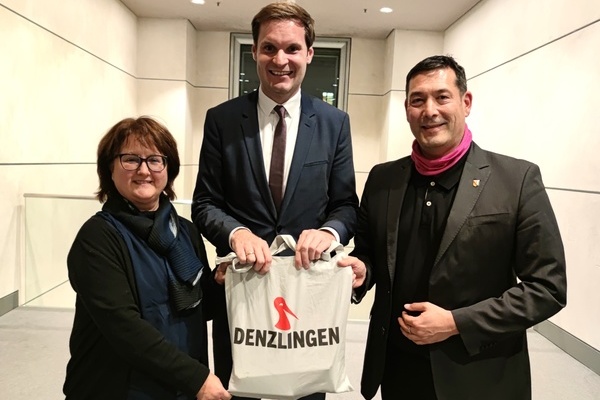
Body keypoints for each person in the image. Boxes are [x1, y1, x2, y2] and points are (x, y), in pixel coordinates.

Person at [338, 55, 567, 399]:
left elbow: (547, 288)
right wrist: (362, 270)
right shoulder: (383, 179)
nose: (430, 110)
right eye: (418, 100)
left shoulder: (516, 180)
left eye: (442, 96)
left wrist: (455, 323)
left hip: (479, 375)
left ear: (466, 101)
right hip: (399, 371)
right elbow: (371, 254)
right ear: (406, 109)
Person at [191, 2, 359, 400]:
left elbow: (346, 206)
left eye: (292, 49)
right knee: (240, 391)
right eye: (269, 48)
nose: (280, 59)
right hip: (244, 291)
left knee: (305, 394)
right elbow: (204, 203)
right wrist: (236, 233)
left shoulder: (335, 123)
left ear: (309, 53)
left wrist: (329, 231)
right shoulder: (223, 120)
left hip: (307, 297)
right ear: (254, 52)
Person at [64, 117, 231, 400]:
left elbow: (202, 308)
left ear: (168, 169)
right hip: (119, 389)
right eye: (130, 159)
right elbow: (123, 328)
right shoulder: (98, 237)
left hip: (178, 386)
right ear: (110, 169)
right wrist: (197, 378)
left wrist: (219, 280)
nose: (144, 170)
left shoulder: (185, 231)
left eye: (155, 160)